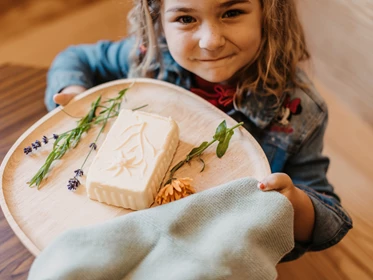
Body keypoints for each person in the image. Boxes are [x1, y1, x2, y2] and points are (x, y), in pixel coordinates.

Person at [44, 0, 352, 261]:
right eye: (186, 19)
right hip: (131, 225)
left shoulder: (299, 110)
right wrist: (74, 90)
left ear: (269, 12)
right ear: (158, 22)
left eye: (231, 13)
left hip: (217, 247)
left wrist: (295, 204)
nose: (211, 40)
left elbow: (329, 212)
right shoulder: (149, 56)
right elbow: (76, 58)